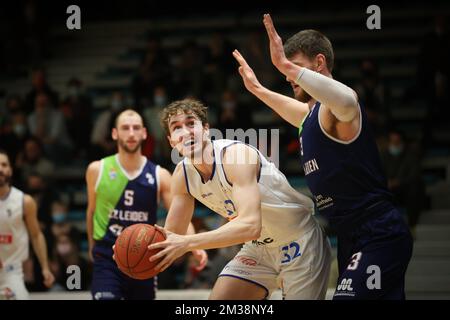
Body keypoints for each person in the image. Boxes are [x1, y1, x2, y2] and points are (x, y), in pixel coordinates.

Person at [232, 14, 413, 299]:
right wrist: (256, 88)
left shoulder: (338, 109)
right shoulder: (309, 115)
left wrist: (285, 65)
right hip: (348, 235)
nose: (290, 77)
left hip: (378, 231)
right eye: (287, 73)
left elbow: (347, 100)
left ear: (319, 63)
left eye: (297, 69)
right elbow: (295, 110)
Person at [149, 99, 331, 300]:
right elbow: (171, 236)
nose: (186, 131)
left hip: (299, 240)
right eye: (177, 128)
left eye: (191, 123)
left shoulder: (236, 156)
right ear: (171, 141)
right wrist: (133, 251)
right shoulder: (182, 175)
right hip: (258, 248)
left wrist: (188, 243)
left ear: (206, 130)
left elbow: (250, 226)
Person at [86, 109, 207, 300]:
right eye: (125, 128)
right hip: (107, 259)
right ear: (115, 133)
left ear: (144, 133)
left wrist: (193, 247)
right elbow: (92, 212)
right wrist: (92, 247)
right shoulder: (96, 169)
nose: (131, 133)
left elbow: (181, 214)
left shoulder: (160, 175)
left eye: (136, 128)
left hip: (145, 257)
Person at [0, 150, 54, 300]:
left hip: (11, 272)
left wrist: (45, 267)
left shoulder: (24, 201)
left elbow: (36, 235)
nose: (0, 169)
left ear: (10, 170)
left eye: (4, 165)